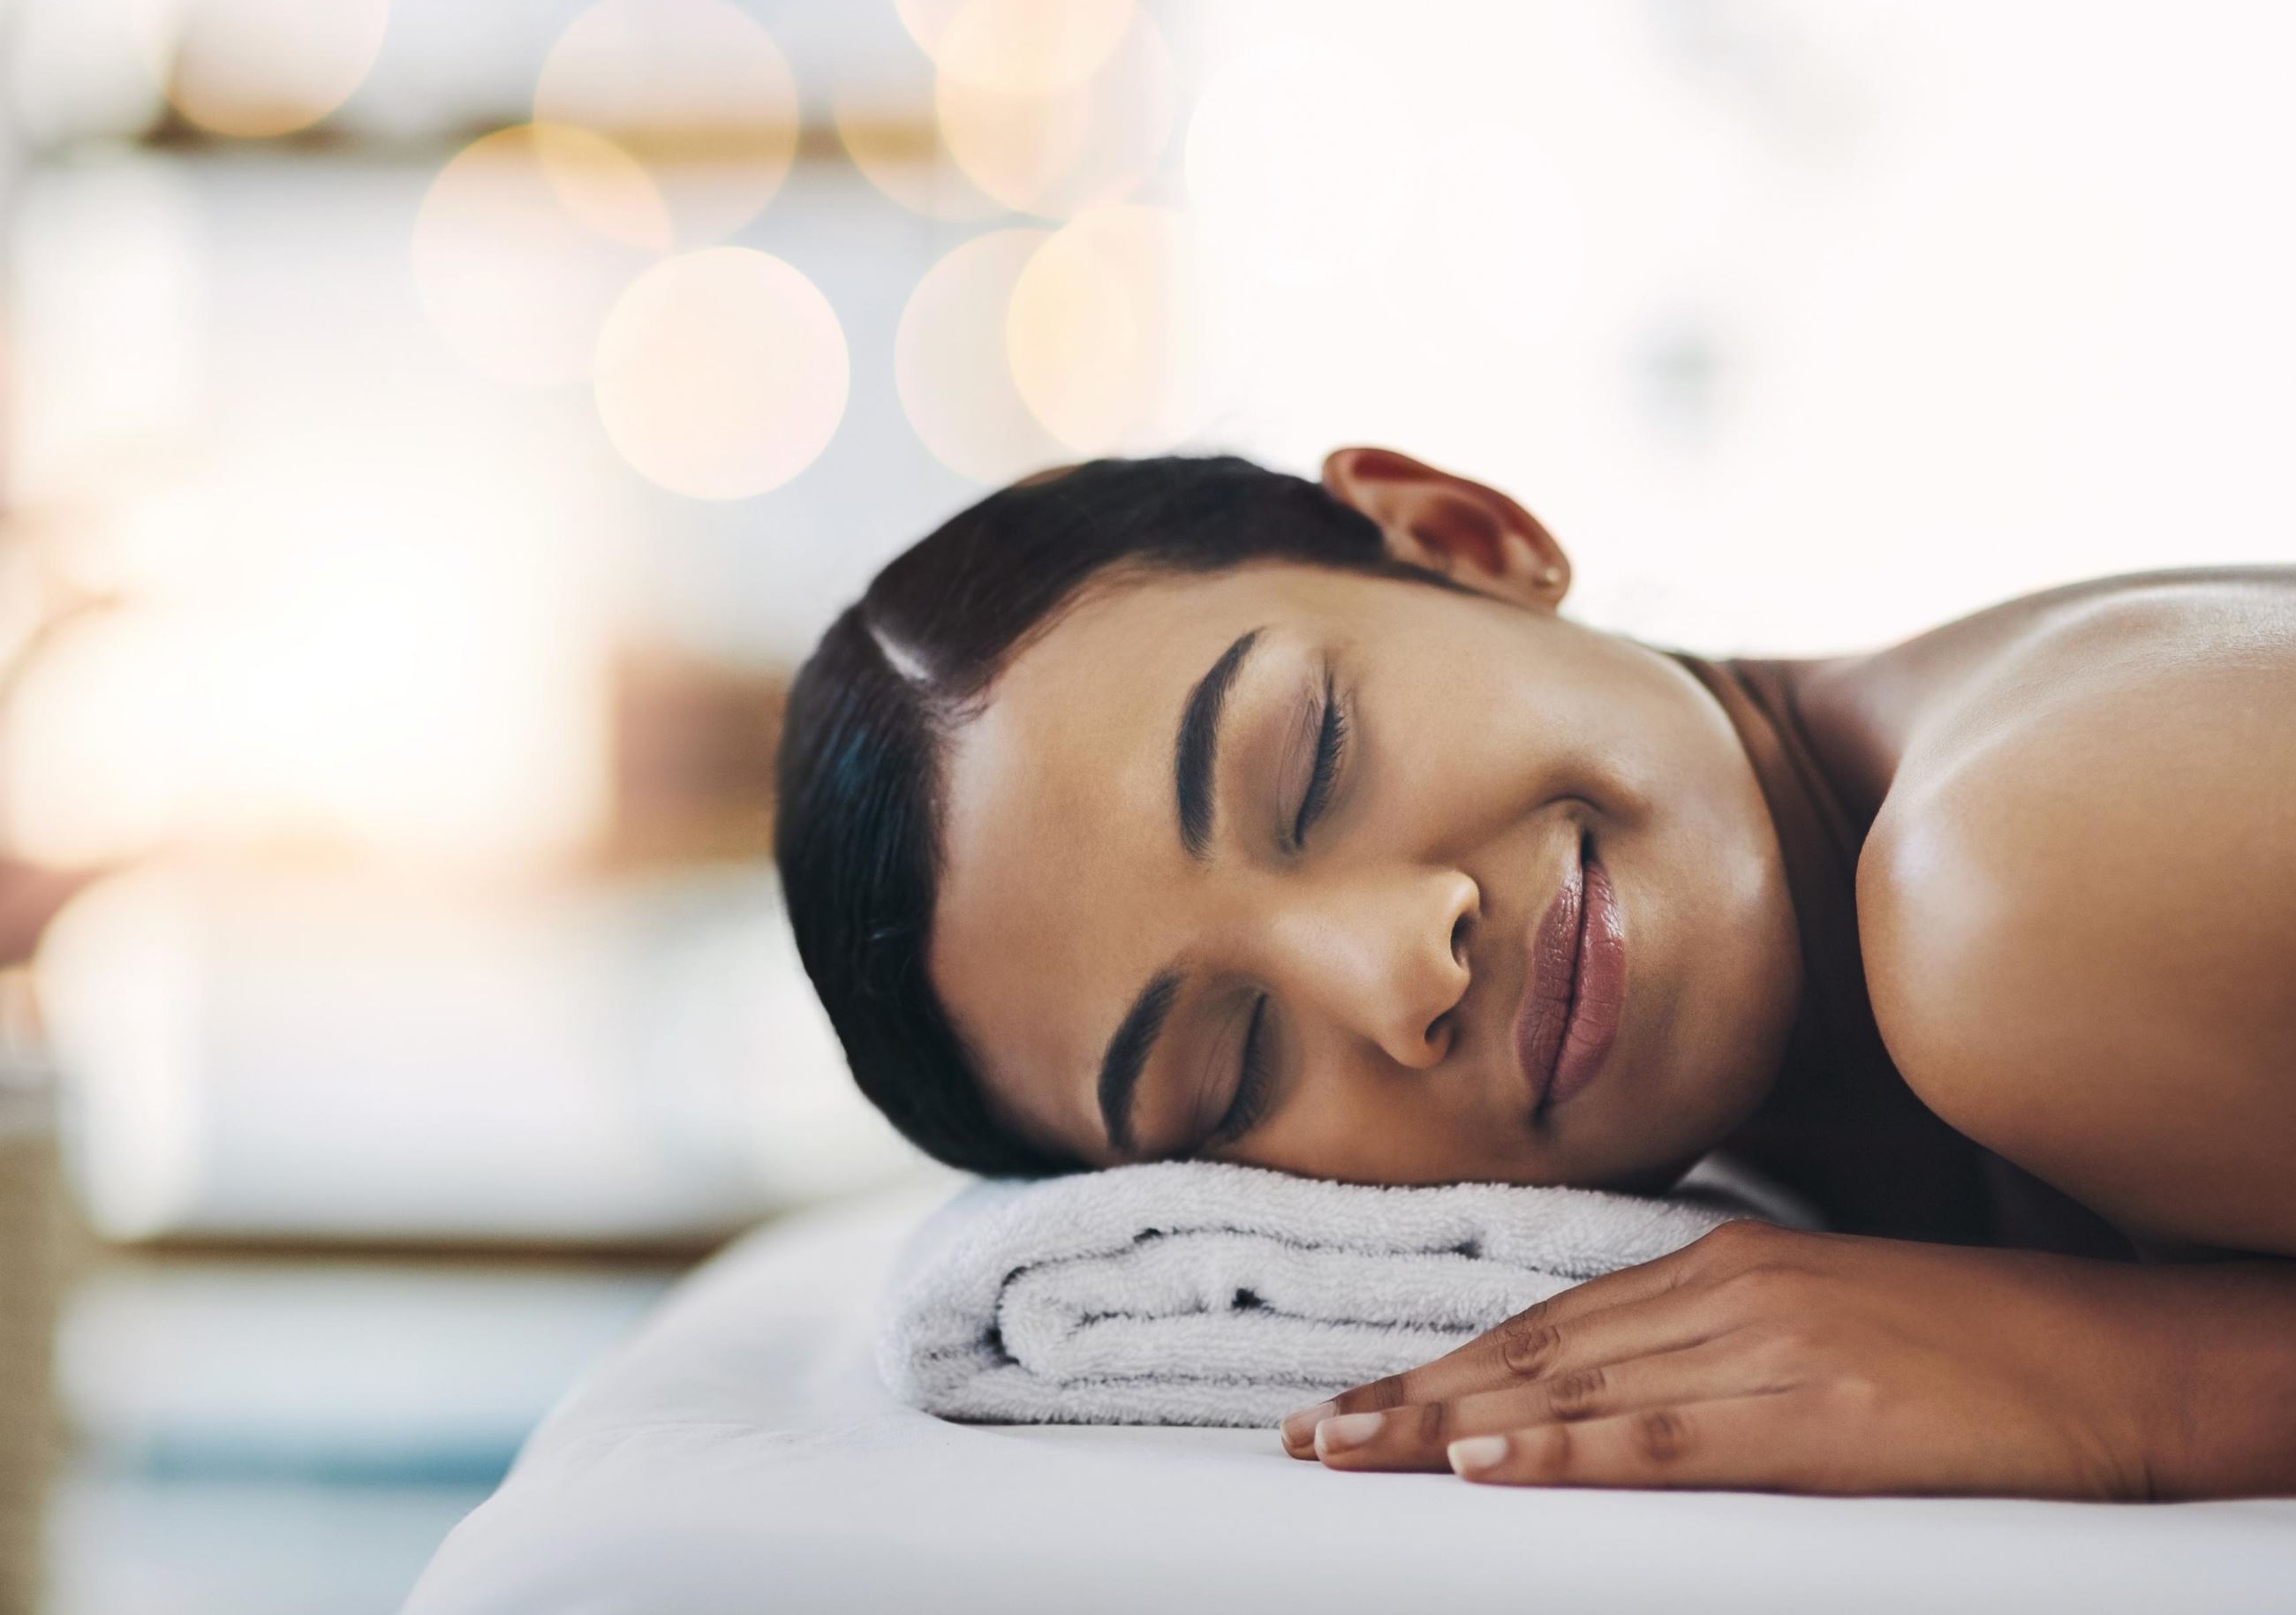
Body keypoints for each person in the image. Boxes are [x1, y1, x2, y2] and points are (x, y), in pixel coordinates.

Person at [774, 447, 2296, 1501]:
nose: (1399, 968)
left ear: (1462, 536)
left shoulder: (2003, 881)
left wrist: (2150, 1392)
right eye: (1232, 1067)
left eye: (1313, 760)